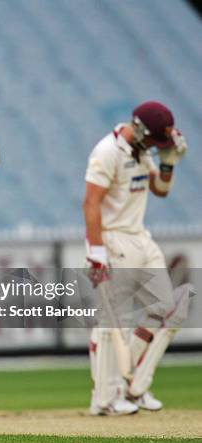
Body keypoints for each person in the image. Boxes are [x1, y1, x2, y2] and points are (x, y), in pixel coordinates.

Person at [84, 101, 189, 416]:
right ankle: (104, 398)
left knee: (169, 309)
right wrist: (96, 251)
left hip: (140, 237)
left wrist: (168, 163)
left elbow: (160, 190)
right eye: (158, 144)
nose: (158, 149)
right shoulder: (106, 152)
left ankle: (135, 387)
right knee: (113, 322)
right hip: (114, 239)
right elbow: (91, 203)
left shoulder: (143, 150)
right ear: (141, 130)